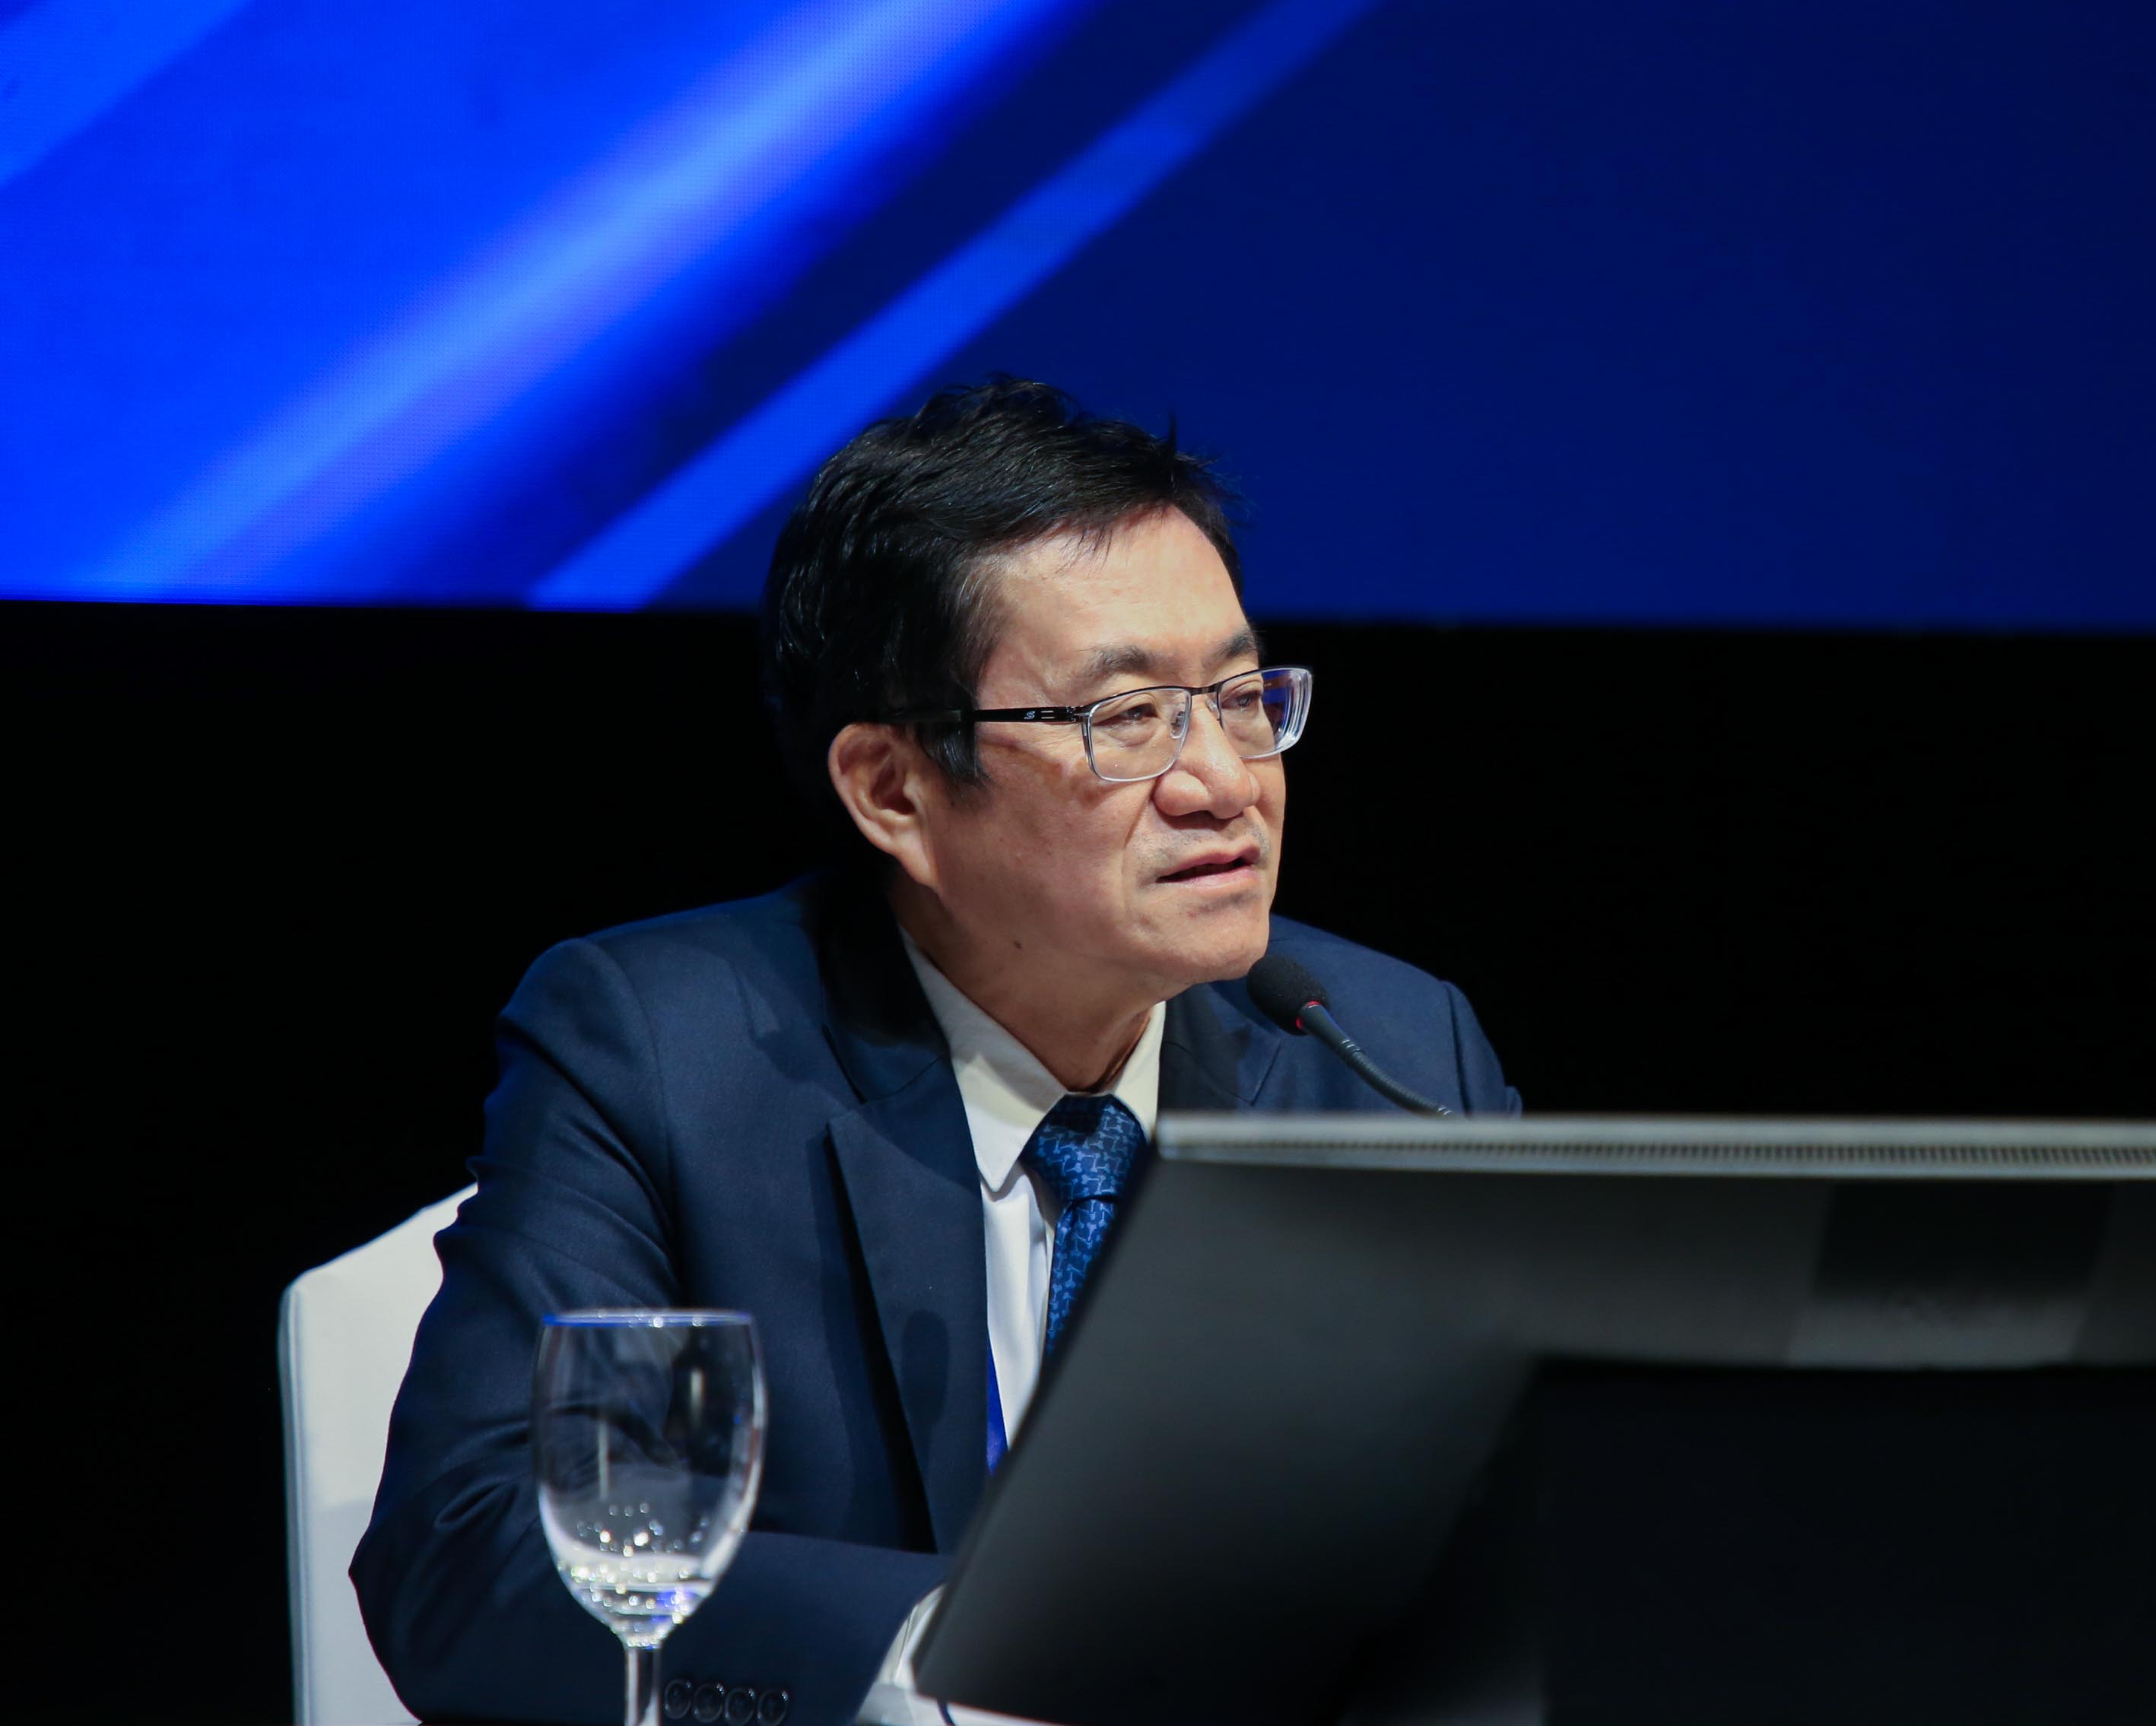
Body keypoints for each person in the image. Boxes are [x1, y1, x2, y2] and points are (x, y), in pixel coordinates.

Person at [354, 379, 1519, 1724]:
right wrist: (954, 1647)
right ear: (893, 788)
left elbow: (1521, 1540)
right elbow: (472, 1555)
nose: (1223, 780)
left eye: (1240, 695)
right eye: (1126, 717)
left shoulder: (1382, 1057)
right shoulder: (664, 1051)